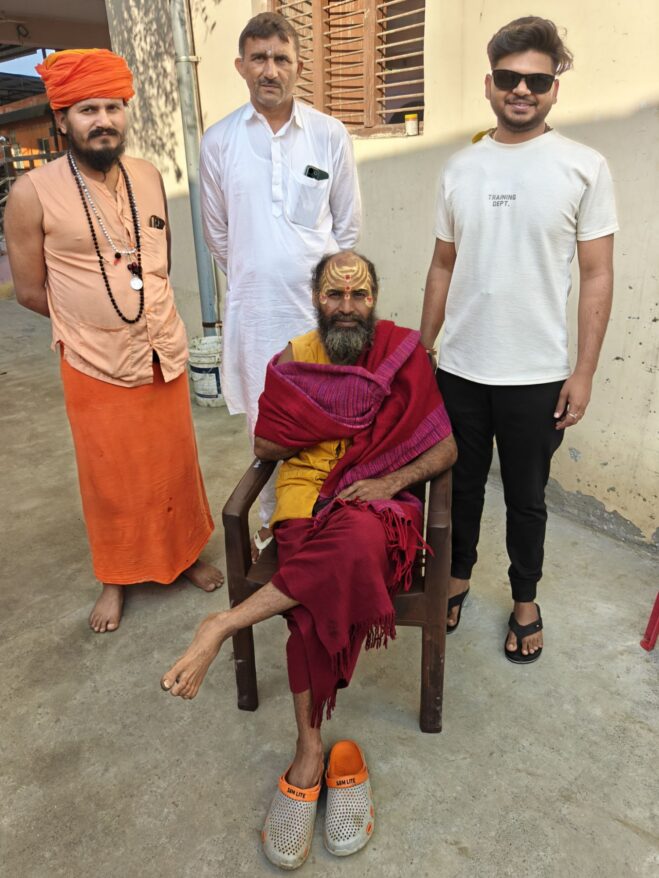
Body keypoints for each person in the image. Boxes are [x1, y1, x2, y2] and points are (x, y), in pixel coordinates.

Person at [161, 251, 456, 869]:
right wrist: (334, 416)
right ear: (316, 298)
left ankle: (228, 630)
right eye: (334, 295)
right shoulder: (295, 359)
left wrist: (388, 480)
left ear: (374, 298)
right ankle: (313, 747)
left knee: (353, 546)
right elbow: (267, 440)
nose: (347, 307)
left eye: (359, 295)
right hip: (305, 501)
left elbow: (445, 448)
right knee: (314, 594)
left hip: (377, 502)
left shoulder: (402, 354)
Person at [5, 49, 223, 634]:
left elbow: (158, 258)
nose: (103, 120)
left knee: (174, 464)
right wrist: (90, 320)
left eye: (112, 107)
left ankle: (184, 556)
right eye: (87, 110)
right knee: (110, 476)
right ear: (61, 119)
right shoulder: (31, 193)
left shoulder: (148, 176)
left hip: (162, 348)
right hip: (92, 361)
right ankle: (117, 576)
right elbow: (29, 290)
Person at [420, 17, 617, 662]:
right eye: (509, 78)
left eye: (536, 79)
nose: (522, 90)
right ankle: (456, 577)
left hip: (536, 374)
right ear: (489, 84)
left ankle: (525, 598)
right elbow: (443, 264)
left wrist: (583, 371)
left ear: (554, 88)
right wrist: (424, 348)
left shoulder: (583, 168)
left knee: (528, 498)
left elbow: (597, 274)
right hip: (461, 367)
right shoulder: (460, 168)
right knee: (460, 488)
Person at [199, 12, 361, 557]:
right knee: (266, 427)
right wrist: (259, 274)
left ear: (298, 66)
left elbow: (347, 228)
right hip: (255, 315)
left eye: (281, 59)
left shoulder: (329, 134)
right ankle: (276, 526)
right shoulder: (219, 140)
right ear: (241, 65)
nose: (270, 70)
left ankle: (328, 518)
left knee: (329, 418)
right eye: (259, 58)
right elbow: (218, 234)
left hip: (318, 316)